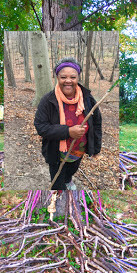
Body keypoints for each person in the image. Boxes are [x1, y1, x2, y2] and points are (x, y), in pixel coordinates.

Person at [34, 57, 102, 190]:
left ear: (78, 78)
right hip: (56, 152)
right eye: (63, 77)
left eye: (73, 77)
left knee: (71, 170)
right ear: (57, 78)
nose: (68, 81)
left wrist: (96, 148)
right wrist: (68, 132)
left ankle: (68, 180)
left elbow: (97, 122)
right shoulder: (48, 100)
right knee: (57, 182)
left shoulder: (87, 98)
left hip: (79, 150)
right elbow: (41, 126)